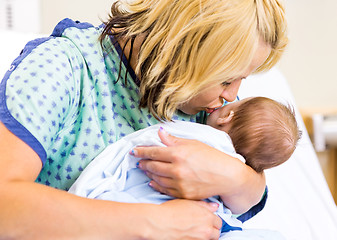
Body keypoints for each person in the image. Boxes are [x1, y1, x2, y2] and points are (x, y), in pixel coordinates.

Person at [0, 0, 288, 239]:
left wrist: (234, 177)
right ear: (181, 48)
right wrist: (151, 223)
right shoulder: (64, 68)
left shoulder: (204, 107)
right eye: (226, 79)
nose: (232, 95)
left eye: (241, 79)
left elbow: (252, 193)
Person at [68, 96, 301, 236]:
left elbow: (142, 143)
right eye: (227, 81)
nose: (230, 95)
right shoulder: (235, 156)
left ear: (226, 116)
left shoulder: (198, 135)